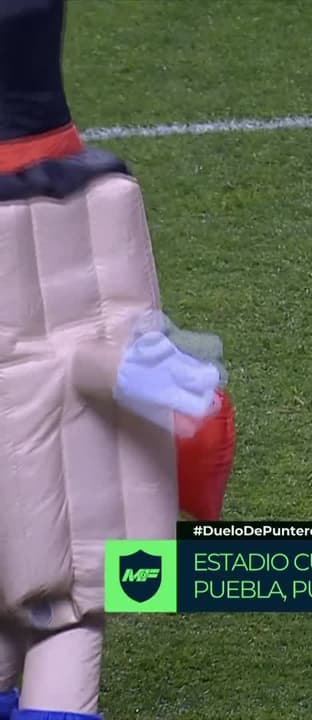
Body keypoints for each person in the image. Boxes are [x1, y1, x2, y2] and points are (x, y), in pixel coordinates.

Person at [1, 2, 229, 719]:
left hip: (47, 491)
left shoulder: (95, 204)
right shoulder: (103, 198)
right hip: (67, 508)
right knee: (64, 622)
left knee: (50, 615)